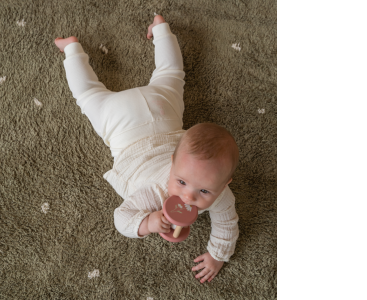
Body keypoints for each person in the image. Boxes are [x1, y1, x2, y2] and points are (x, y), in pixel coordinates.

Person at [54, 15, 239, 284]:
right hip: (121, 126)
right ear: (172, 162)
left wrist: (217, 255)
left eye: (204, 191)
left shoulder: (218, 192)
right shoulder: (156, 192)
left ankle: (160, 29)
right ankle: (71, 49)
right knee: (88, 95)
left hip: (162, 111)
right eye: (181, 181)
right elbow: (122, 218)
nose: (188, 197)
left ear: (224, 185)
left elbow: (227, 224)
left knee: (171, 74)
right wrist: (148, 222)